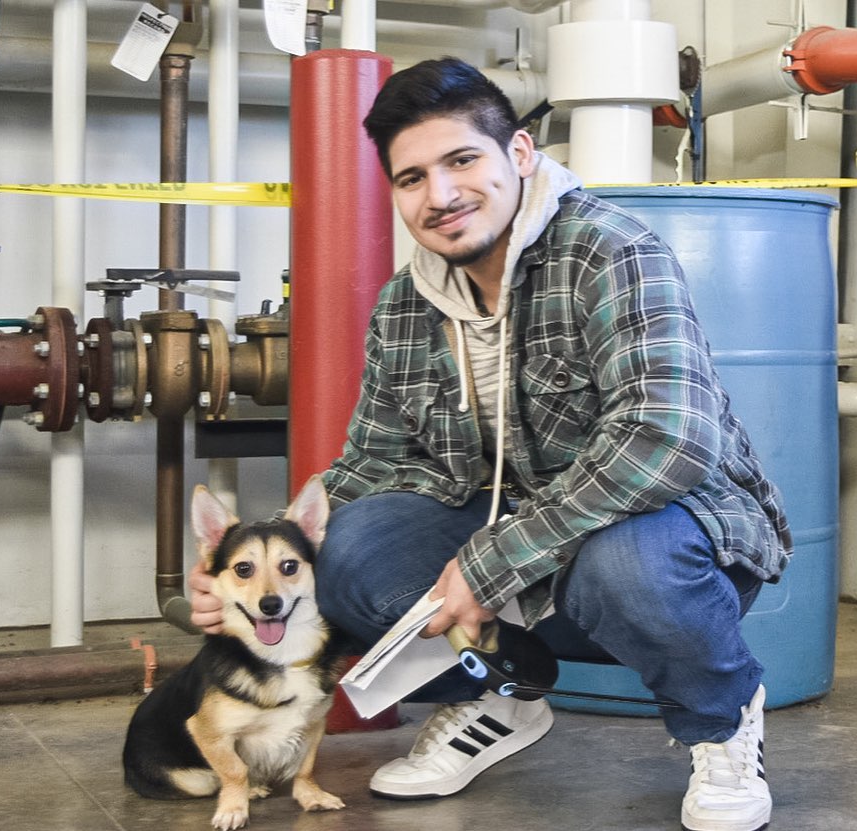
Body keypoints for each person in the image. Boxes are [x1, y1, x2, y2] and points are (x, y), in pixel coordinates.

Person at [190, 56, 792, 831]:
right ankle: (499, 699)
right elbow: (371, 462)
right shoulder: (406, 305)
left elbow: (664, 439)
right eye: (411, 178)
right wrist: (257, 560)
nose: (439, 196)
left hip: (666, 537)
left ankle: (721, 715)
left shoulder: (609, 253)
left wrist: (490, 560)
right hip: (518, 535)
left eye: (462, 159)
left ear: (518, 154)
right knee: (341, 555)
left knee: (626, 561)